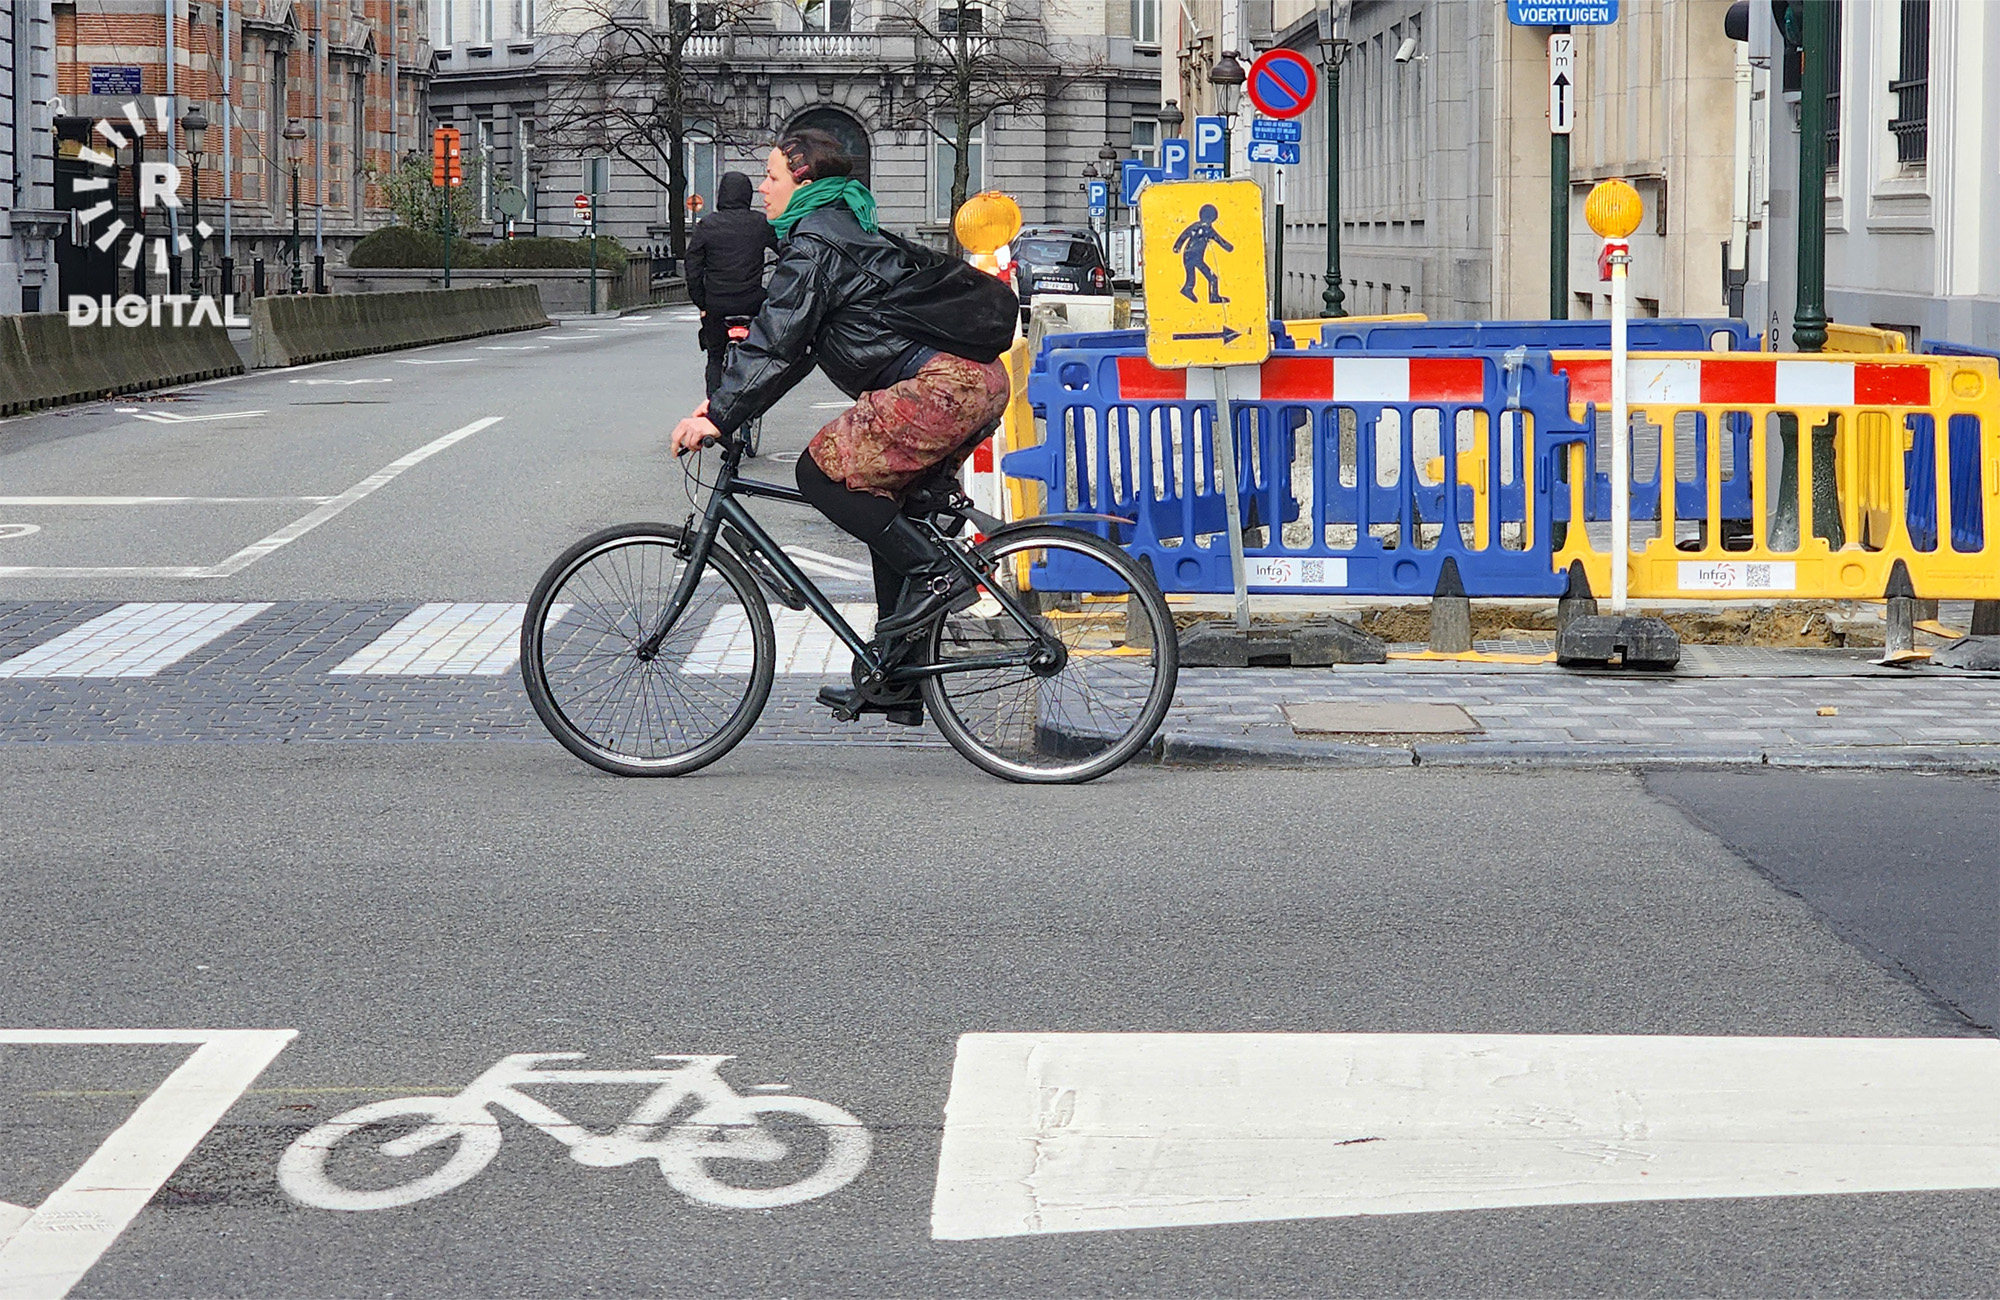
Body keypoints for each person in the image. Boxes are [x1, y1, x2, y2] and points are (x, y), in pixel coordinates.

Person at [668, 129, 1012, 727]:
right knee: (888, 511)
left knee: (819, 472)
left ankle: (938, 575)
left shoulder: (816, 242)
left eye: (772, 176)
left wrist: (720, 417)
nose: (764, 189)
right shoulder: (841, 227)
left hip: (943, 386)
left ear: (803, 180)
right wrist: (721, 407)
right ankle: (897, 680)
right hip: (970, 382)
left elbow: (776, 341)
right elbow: (797, 348)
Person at [683, 170, 777, 398]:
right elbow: (787, 253)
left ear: (721, 194)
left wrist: (702, 302)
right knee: (759, 354)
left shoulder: (707, 225)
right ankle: (753, 400)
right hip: (752, 302)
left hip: (717, 304)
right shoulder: (760, 223)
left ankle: (715, 407)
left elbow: (692, 267)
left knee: (715, 356)